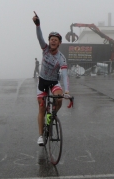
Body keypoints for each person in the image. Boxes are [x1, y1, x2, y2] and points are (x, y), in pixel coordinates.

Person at [32, 12, 70, 145]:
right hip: (42, 81)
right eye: (51, 39)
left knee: (59, 99)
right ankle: (41, 135)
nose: (53, 41)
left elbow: (65, 75)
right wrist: (38, 25)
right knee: (41, 108)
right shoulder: (45, 49)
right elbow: (39, 37)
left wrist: (67, 92)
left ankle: (52, 115)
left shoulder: (61, 58)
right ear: (49, 42)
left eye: (56, 40)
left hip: (54, 81)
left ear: (59, 43)